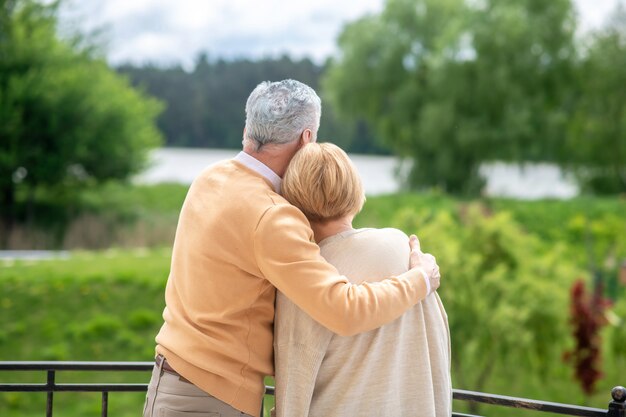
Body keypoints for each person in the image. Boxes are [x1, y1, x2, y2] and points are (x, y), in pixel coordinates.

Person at [142, 79, 441, 417]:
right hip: (212, 400)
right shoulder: (271, 216)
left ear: (248, 129)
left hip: (170, 381)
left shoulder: (210, 178)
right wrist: (421, 279)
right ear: (306, 139)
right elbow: (344, 310)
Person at [274, 142, 452, 417]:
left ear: (292, 200)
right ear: (354, 189)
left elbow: (294, 388)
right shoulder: (404, 248)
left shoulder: (306, 277)